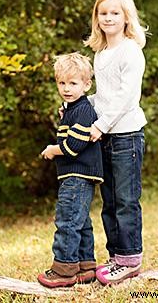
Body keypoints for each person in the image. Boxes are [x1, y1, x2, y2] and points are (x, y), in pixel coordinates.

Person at [84, 0, 147, 285]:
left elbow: (125, 97)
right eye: (103, 13)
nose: (108, 17)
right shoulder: (101, 52)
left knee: (126, 200)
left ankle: (131, 258)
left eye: (115, 13)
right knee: (108, 200)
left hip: (126, 137)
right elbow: (105, 96)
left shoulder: (130, 51)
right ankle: (116, 256)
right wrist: (80, 108)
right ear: (97, 18)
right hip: (107, 136)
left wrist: (100, 125)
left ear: (126, 18)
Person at [37, 52, 103, 288]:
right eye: (62, 83)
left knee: (67, 220)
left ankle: (64, 269)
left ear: (86, 84)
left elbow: (73, 146)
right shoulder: (73, 109)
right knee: (81, 219)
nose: (66, 88)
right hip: (77, 174)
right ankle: (85, 267)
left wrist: (53, 150)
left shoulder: (84, 110)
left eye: (73, 83)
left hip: (78, 173)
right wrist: (65, 115)